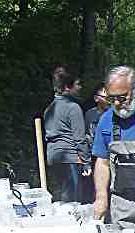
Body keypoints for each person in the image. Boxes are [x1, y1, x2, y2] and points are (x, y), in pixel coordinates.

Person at [92, 65, 135, 225]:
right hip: (122, 205)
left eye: (122, 97)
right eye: (112, 99)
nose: (117, 103)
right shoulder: (106, 121)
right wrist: (101, 198)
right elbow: (102, 162)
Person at [43, 65, 92, 203]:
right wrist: (87, 163)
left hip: (53, 158)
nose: (80, 87)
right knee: (73, 202)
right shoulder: (73, 108)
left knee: (62, 198)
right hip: (70, 158)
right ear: (67, 87)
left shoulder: (49, 108)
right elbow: (79, 138)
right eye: (78, 84)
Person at [84, 83, 109, 148]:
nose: (109, 101)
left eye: (111, 97)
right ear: (96, 98)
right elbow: (86, 134)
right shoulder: (89, 114)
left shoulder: (115, 115)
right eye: (106, 98)